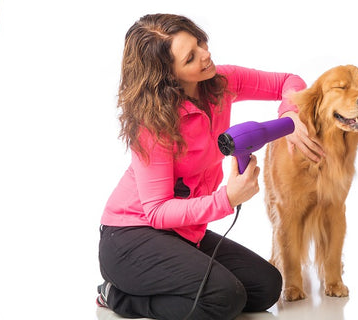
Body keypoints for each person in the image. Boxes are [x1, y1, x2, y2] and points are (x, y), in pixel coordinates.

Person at [97, 13, 324, 320]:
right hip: (131, 239)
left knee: (266, 287)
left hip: (184, 233)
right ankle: (118, 296)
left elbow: (287, 81)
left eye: (200, 42)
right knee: (224, 298)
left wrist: (290, 115)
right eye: (191, 57)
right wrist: (227, 199)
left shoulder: (219, 83)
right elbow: (157, 211)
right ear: (168, 75)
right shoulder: (154, 124)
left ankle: (164, 283)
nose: (206, 55)